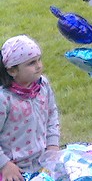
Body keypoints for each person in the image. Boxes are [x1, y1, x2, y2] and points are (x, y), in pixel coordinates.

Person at [0, 36, 60, 179]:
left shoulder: (43, 85)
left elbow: (52, 115)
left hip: (42, 162)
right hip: (13, 169)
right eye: (31, 63)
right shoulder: (4, 98)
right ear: (12, 71)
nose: (39, 66)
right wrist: (4, 164)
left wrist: (53, 145)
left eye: (39, 59)